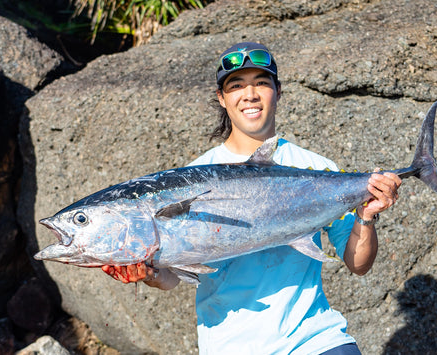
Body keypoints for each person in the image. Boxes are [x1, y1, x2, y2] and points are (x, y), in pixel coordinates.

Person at [101, 42, 402, 354]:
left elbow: (358, 263)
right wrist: (149, 274)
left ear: (278, 91)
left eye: (261, 82)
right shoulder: (190, 180)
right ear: (222, 98)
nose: (250, 94)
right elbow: (174, 278)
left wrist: (367, 217)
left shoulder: (316, 169)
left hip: (316, 341)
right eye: (236, 85)